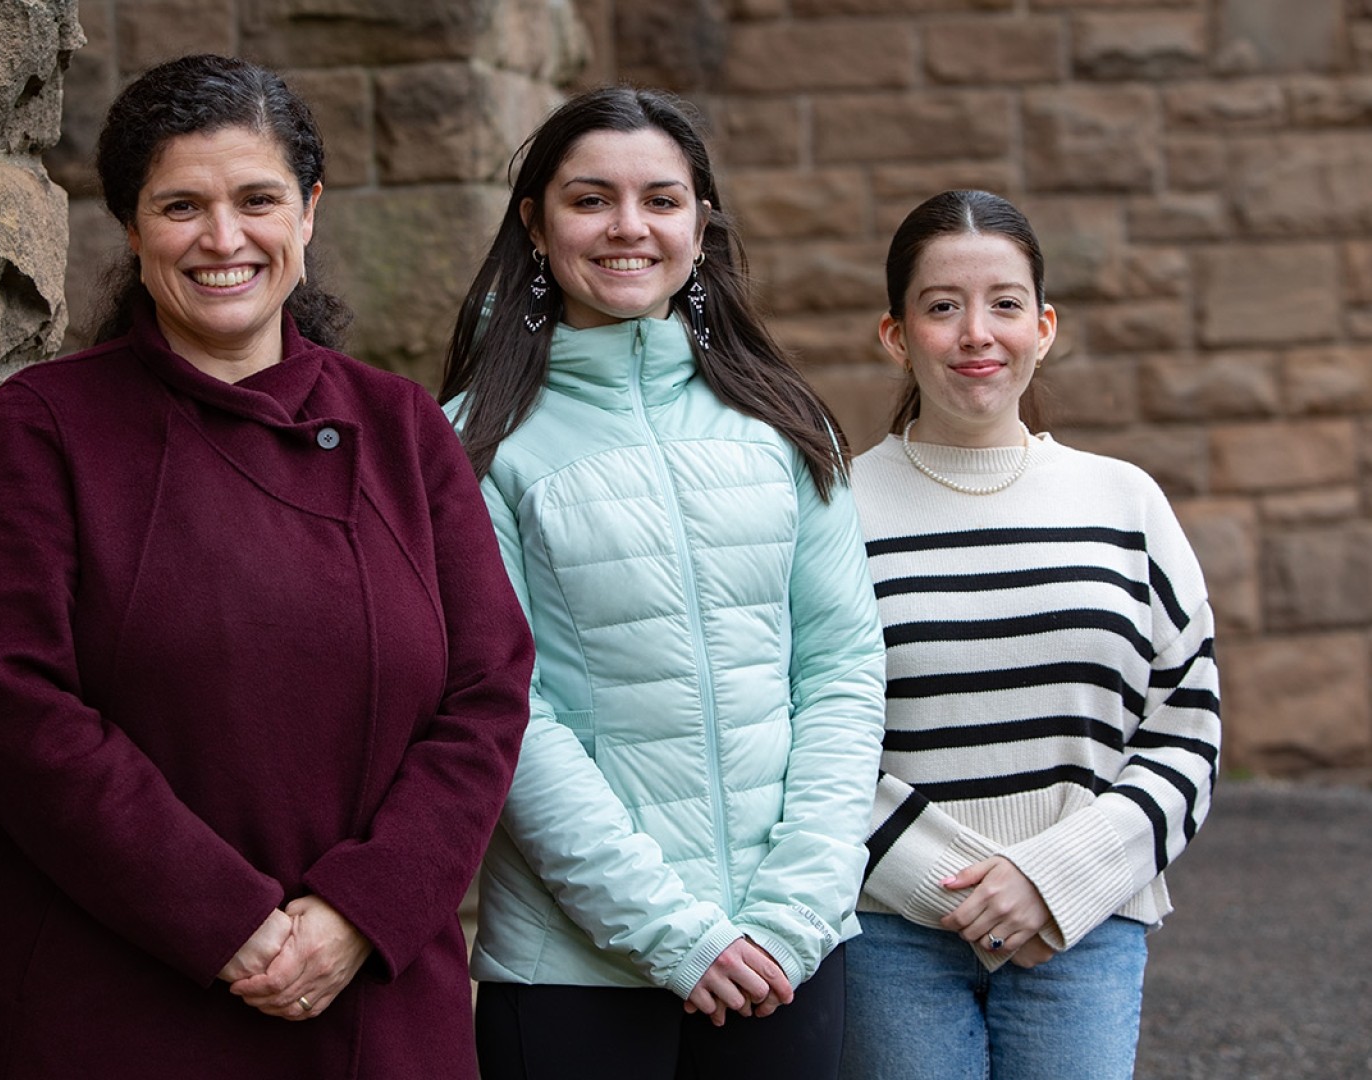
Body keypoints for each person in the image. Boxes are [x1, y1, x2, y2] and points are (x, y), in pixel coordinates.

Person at [0, 54, 534, 1080]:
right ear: (130, 227)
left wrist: (361, 908)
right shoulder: (49, 426)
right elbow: (16, 707)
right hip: (121, 995)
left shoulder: (400, 426)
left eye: (257, 199)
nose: (224, 239)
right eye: (181, 206)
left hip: (372, 998)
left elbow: (488, 691)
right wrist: (224, 920)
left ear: (306, 212)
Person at [439, 86, 889, 1080]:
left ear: (702, 221)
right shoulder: (477, 443)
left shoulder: (783, 424)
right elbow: (510, 709)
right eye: (591, 199)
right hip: (573, 970)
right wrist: (672, 935)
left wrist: (793, 911)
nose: (629, 227)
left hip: (788, 953)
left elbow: (843, 666)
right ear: (535, 223)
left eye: (662, 199)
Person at [842, 189, 1222, 1080]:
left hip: (1081, 923)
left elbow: (1187, 725)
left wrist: (1053, 877)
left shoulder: (1125, 502)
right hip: (891, 932)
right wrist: (961, 887)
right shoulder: (834, 510)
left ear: (1043, 326)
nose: (978, 333)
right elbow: (799, 729)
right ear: (896, 335)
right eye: (943, 306)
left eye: (1005, 304)